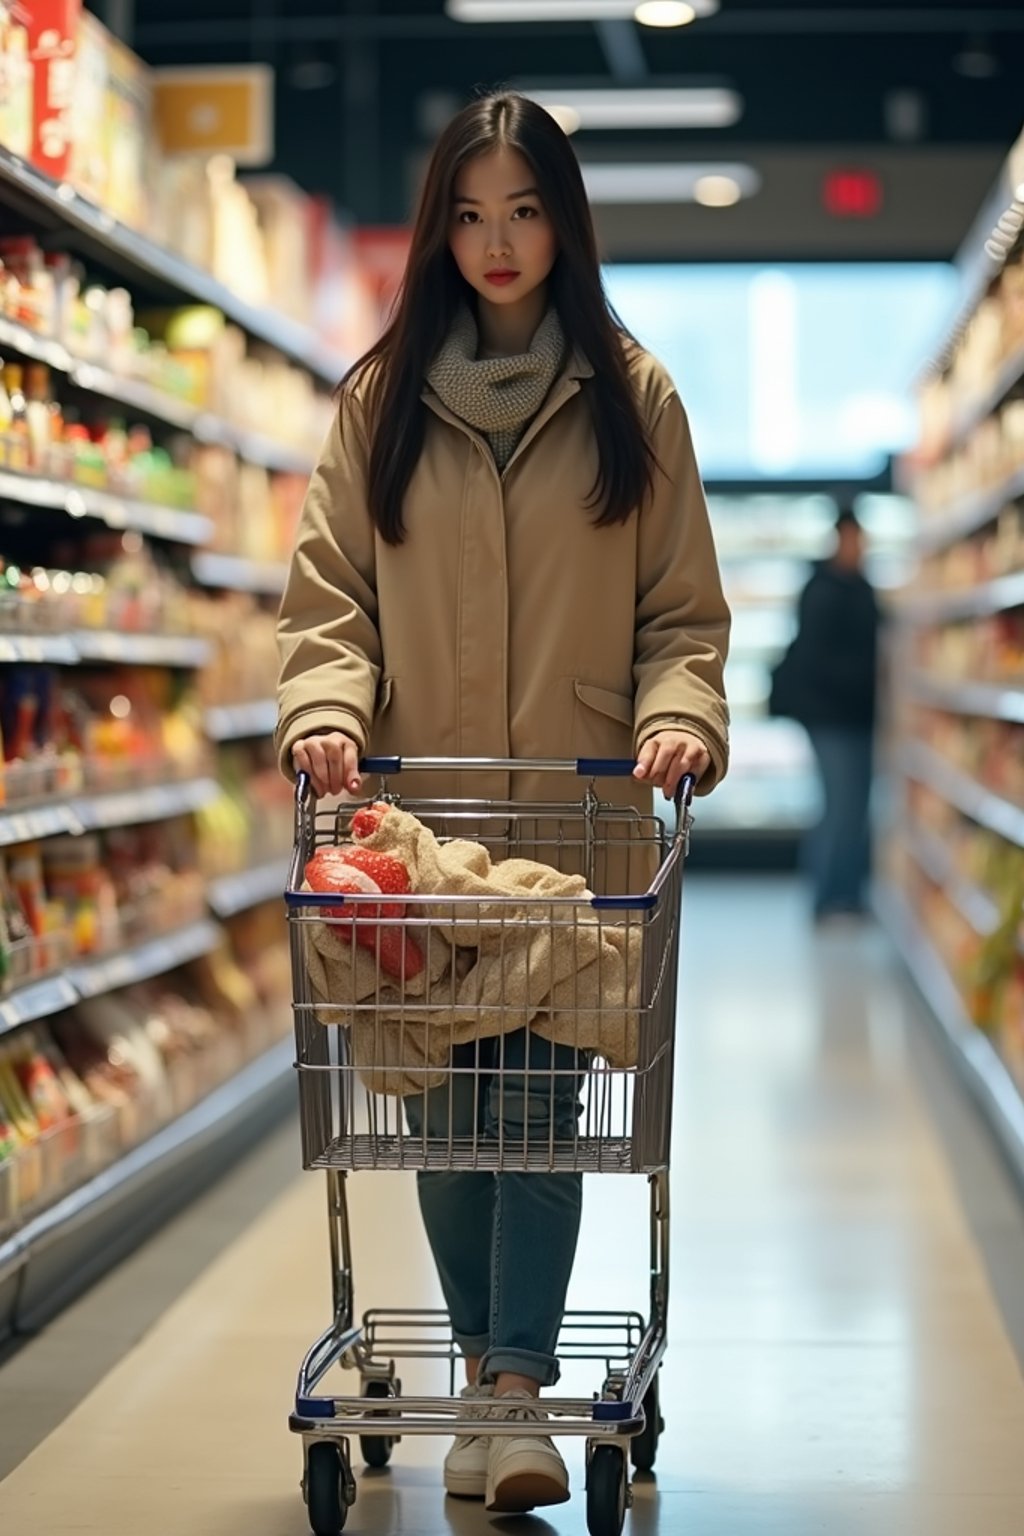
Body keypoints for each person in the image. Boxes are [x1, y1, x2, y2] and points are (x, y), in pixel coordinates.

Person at [275, 91, 730, 1513]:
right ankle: (492, 1385)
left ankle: (514, 1390)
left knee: (534, 1100)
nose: (498, 240)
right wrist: (327, 713)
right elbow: (329, 602)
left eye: (524, 209)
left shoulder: (635, 395)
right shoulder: (380, 400)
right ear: (438, 229)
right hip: (414, 830)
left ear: (565, 221)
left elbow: (682, 616)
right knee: (440, 1113)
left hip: (572, 823)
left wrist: (675, 717)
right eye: (470, 213)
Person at [770, 506, 880, 922]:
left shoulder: (863, 587)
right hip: (830, 718)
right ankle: (826, 898)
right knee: (838, 806)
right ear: (839, 539)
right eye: (853, 539)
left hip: (861, 717)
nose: (858, 548)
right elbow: (818, 660)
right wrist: (867, 672)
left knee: (856, 807)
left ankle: (849, 895)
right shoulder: (822, 590)